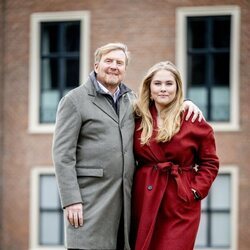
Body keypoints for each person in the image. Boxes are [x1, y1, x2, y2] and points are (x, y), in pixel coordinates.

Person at [52, 43, 203, 250]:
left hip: (126, 202)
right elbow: (62, 155)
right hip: (90, 201)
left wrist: (184, 102)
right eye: (109, 61)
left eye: (119, 63)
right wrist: (71, 200)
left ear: (124, 69)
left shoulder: (132, 101)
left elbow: (160, 101)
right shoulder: (74, 101)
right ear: (96, 65)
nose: (114, 66)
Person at [131, 61, 219, 250]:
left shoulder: (192, 119)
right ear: (149, 87)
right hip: (145, 200)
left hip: (180, 202)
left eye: (169, 84)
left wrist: (194, 191)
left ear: (178, 87)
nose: (163, 89)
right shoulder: (137, 116)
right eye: (158, 83)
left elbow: (210, 162)